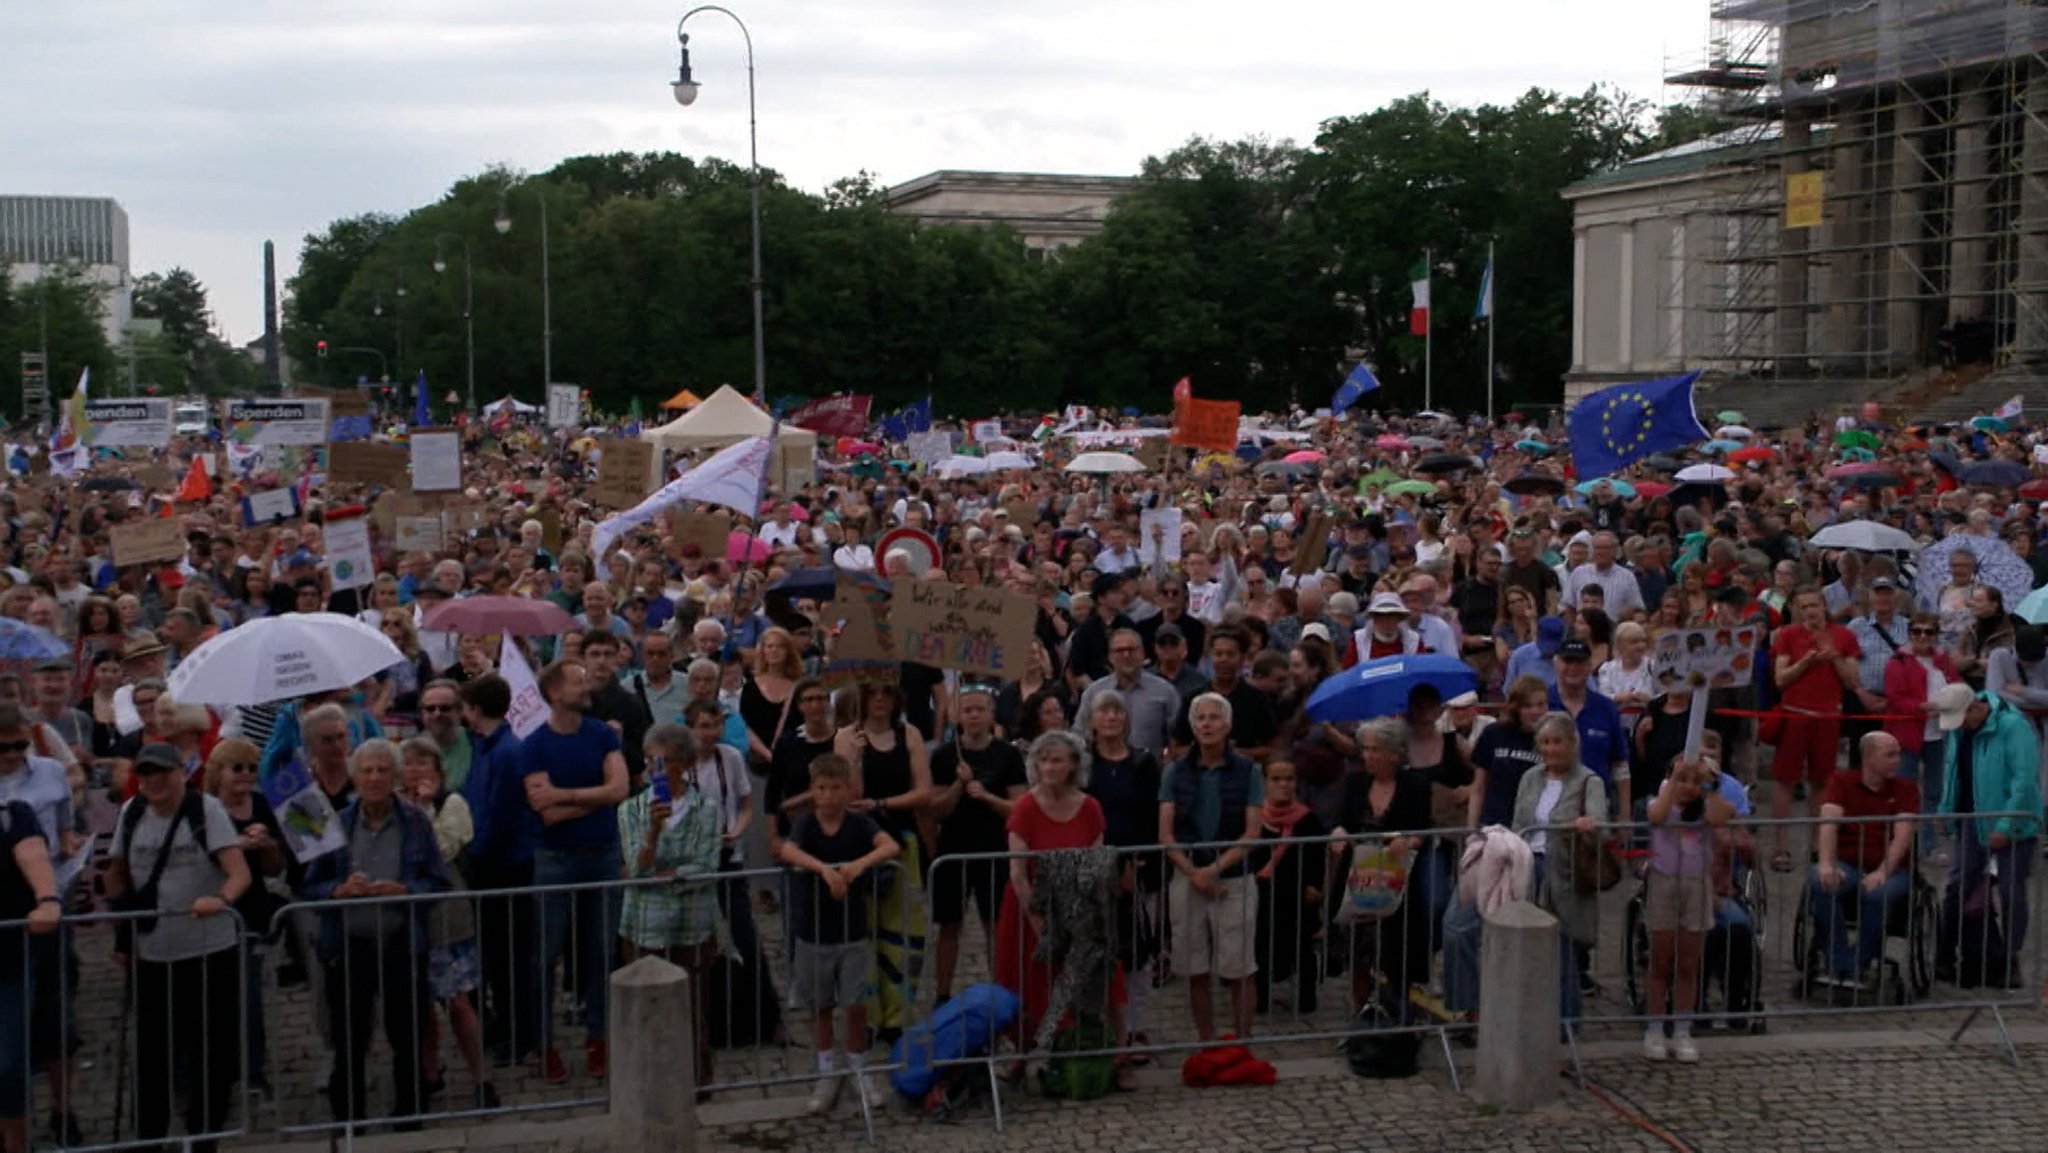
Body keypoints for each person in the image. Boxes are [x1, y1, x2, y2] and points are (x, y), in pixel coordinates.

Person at [105, 741, 250, 1153]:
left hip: (209, 952)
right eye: (146, 773)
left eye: (162, 773)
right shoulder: (131, 813)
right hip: (152, 955)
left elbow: (238, 874)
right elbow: (117, 877)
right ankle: (149, 1140)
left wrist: (219, 901)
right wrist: (121, 919)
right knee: (152, 1057)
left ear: (179, 773)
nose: (154, 781)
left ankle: (203, 1139)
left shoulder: (205, 810)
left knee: (210, 1054)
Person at [299, 739, 450, 1128]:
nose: (375, 777)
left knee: (406, 1034)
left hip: (400, 941)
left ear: (395, 775)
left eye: (383, 770)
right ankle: (350, 1118)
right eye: (367, 770)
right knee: (349, 1038)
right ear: (355, 776)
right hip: (350, 946)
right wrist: (338, 890)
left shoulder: (415, 822)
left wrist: (407, 891)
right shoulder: (334, 823)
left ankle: (409, 1115)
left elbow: (438, 881)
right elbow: (310, 886)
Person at [994, 729, 1132, 1087]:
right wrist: (1040, 924)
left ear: (1073, 765)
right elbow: (1018, 872)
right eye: (1043, 759)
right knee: (1027, 984)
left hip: (1081, 907)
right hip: (1031, 910)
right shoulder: (1025, 806)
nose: (1049, 766)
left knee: (1108, 979)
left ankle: (1119, 1055)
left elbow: (1097, 863)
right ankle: (1023, 1056)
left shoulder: (1090, 807)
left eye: (1057, 759)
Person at [522, 658, 630, 1084]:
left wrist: (566, 796)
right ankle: (544, 1044)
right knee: (546, 954)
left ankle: (599, 1037)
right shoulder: (534, 744)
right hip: (555, 859)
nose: (586, 683)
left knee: (602, 951)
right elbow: (543, 811)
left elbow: (620, 789)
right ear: (554, 693)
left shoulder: (601, 733)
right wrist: (595, 798)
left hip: (602, 853)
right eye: (576, 679)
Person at [777, 753, 899, 1115]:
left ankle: (860, 1069)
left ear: (847, 790)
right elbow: (787, 849)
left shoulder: (859, 823)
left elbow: (889, 845)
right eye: (821, 789)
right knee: (821, 1007)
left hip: (852, 930)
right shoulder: (806, 824)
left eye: (835, 788)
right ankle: (826, 1072)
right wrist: (824, 871)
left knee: (856, 1005)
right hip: (813, 931)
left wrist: (857, 865)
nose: (828, 796)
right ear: (812, 791)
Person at [617, 724, 722, 1093]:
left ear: (685, 764)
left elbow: (706, 867)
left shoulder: (707, 810)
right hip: (645, 925)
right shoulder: (631, 809)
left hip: (692, 925)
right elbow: (636, 867)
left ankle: (696, 1079)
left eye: (663, 761)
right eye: (650, 761)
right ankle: (648, 1081)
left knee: (693, 1006)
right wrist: (653, 833)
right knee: (647, 1007)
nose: (654, 769)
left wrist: (665, 875)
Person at [399, 737, 498, 1111]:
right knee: (421, 1005)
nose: (414, 770)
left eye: (422, 764)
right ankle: (429, 1072)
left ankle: (481, 1075)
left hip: (446, 915)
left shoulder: (451, 804)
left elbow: (441, 852)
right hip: (408, 919)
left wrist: (423, 810)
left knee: (458, 1003)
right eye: (408, 763)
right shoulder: (394, 806)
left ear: (438, 771)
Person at [1159, 692, 1263, 1041]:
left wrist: (1214, 870)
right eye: (1200, 718)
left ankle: (1243, 1039)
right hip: (1187, 878)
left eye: (1214, 717)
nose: (1206, 724)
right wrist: (1193, 874)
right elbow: (1166, 833)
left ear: (1228, 724)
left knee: (1240, 966)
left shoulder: (1249, 771)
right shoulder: (1176, 771)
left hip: (1233, 879)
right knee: (1194, 966)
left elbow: (1252, 832)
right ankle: (1206, 1041)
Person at [0, 700, 82, 1143]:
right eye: (2, 749)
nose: (12, 756)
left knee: (57, 1018)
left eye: (18, 746)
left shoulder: (49, 772)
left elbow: (65, 821)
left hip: (49, 907)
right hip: (9, 912)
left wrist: (69, 844)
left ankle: (63, 1109)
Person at [834, 680, 933, 1038]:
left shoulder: (909, 734)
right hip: (862, 845)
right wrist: (856, 758)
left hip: (902, 841)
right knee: (864, 932)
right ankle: (870, 1013)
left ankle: (897, 1014)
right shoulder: (846, 736)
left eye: (886, 693)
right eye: (872, 693)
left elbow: (923, 791)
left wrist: (883, 804)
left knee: (903, 931)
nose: (879, 700)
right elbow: (848, 795)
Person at [1930, 685, 2043, 987]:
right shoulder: (1959, 729)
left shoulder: (2013, 727)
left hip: (2011, 824)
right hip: (1972, 818)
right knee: (1957, 886)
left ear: (1974, 708)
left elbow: (2024, 781)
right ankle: (1945, 954)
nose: (1958, 727)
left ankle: (2009, 959)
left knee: (2011, 893)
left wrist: (2005, 826)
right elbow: (1953, 770)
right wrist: (1945, 808)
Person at [457, 674, 543, 1067]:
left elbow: (498, 813)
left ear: (474, 708)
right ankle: (504, 1024)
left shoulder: (507, 751)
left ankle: (521, 1032)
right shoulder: (485, 747)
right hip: (489, 860)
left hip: (505, 865)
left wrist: (475, 856)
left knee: (511, 958)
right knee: (493, 957)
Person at [928, 685, 1027, 1004]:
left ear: (990, 715)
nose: (973, 715)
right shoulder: (945, 755)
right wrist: (959, 785)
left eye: (979, 709)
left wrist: (986, 797)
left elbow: (1019, 807)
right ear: (957, 715)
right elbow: (937, 809)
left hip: (993, 849)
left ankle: (999, 987)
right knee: (948, 925)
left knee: (994, 924)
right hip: (954, 849)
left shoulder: (1007, 755)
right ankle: (942, 993)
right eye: (966, 710)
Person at [1080, 688, 1164, 1052]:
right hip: (1094, 868)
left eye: (1117, 711)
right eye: (1104, 712)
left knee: (1137, 953)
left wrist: (1136, 862)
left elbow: (1152, 813)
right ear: (1092, 721)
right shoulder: (1081, 763)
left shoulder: (1143, 763)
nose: (1112, 717)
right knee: (1096, 952)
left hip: (1138, 866)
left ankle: (1135, 1026)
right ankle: (1099, 1023)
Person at [204, 738, 287, 1106]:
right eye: (237, 768)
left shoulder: (262, 805)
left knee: (249, 999)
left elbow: (275, 867)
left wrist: (267, 845)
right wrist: (236, 845)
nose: (246, 775)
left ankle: (254, 1074)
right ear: (218, 772)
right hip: (212, 909)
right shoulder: (206, 810)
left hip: (251, 912)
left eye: (252, 768)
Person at [1331, 719, 1432, 1016]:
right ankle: (1361, 1010)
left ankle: (1395, 1010)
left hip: (1395, 876)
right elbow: (1343, 822)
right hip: (1358, 874)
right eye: (1365, 749)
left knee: (1394, 948)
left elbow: (1421, 831)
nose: (1369, 756)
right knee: (1357, 947)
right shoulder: (1355, 782)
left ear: (1393, 752)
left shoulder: (1415, 785)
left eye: (1376, 750)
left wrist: (1407, 841)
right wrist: (1337, 833)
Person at [1512, 714, 1607, 1026]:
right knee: (1531, 950)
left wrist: (1579, 826)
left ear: (1571, 743)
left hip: (1564, 869)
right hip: (1530, 864)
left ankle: (1566, 1026)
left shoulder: (1589, 781)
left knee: (1563, 950)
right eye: (1545, 742)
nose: (1551, 749)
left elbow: (1598, 824)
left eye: (1557, 742)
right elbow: (1519, 824)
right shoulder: (1530, 778)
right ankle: (1534, 1021)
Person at [1641, 754, 1733, 1063]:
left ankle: (1682, 1029)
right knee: (1660, 961)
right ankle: (1654, 1028)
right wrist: (1674, 779)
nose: (1689, 787)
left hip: (1696, 884)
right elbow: (1655, 816)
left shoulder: (1705, 807)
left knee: (1688, 963)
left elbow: (1723, 815)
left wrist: (1710, 785)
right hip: (1664, 882)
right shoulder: (1661, 802)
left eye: (1696, 782)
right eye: (1683, 780)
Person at [1808, 732, 1919, 989]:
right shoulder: (1841, 782)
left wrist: (1882, 871)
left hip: (1892, 868)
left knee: (1877, 894)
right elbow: (1828, 824)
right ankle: (1838, 961)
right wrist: (1826, 864)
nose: (1897, 760)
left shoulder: (1906, 789)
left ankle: (1859, 963)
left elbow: (1902, 837)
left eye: (1898, 754)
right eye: (1889, 755)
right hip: (1848, 861)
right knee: (1820, 881)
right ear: (1868, 757)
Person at [1768, 588, 1861, 871]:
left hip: (1828, 716)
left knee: (1822, 782)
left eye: (1815, 605)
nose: (1811, 610)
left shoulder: (1844, 636)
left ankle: (1818, 845)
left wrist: (1833, 656)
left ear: (1824, 606)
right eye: (1804, 606)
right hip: (1796, 715)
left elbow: (1851, 681)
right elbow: (1780, 679)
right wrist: (1806, 661)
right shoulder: (1787, 635)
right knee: (1785, 781)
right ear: (1797, 609)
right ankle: (1780, 846)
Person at [0, 788, 61, 1153]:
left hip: (8, 960)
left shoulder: (13, 814)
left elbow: (33, 855)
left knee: (7, 1065)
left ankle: (16, 1143)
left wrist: (47, 899)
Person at [1249, 759, 1326, 1016]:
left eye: (1289, 779)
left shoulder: (1308, 819)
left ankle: (1306, 1000)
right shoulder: (1254, 817)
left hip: (1297, 893)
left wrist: (1314, 886)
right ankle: (1259, 1000)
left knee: (1302, 947)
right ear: (1265, 782)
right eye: (1276, 779)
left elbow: (1317, 858)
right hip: (1260, 893)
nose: (1283, 785)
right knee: (1259, 944)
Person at [1076, 628, 1180, 760]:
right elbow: (1079, 735)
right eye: (1119, 651)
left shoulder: (1165, 691)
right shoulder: (1094, 692)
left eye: (1131, 650)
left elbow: (1177, 738)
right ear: (1110, 657)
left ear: (1142, 653)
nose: (1126, 655)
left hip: (1149, 774)